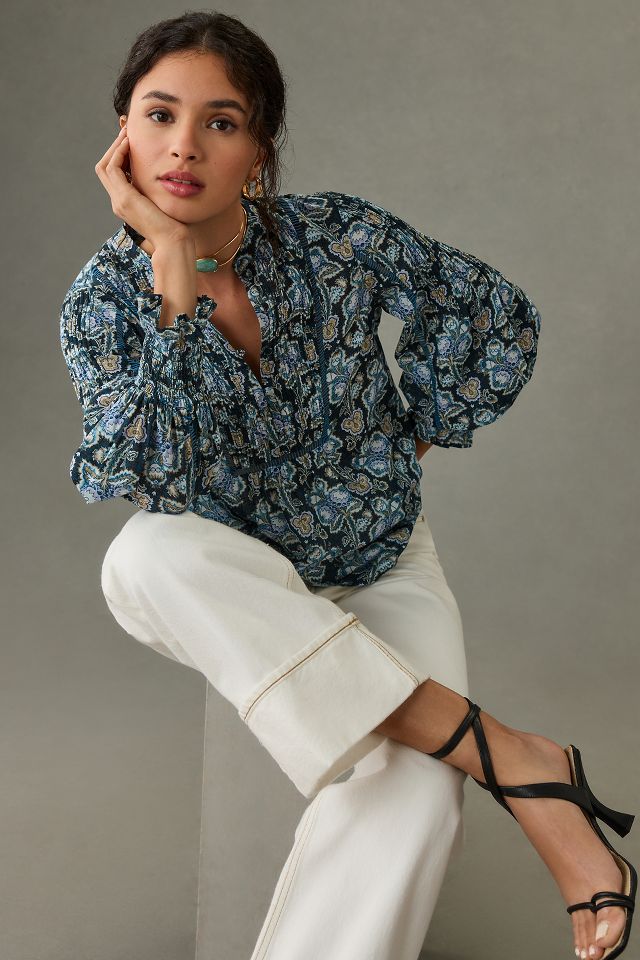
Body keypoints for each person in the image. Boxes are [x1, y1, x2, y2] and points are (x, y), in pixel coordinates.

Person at [58, 11, 635, 960]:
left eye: (220, 122)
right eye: (159, 115)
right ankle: (518, 759)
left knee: (415, 801)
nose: (184, 146)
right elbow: (149, 471)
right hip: (231, 582)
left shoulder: (336, 236)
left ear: (259, 151)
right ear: (123, 133)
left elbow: (492, 315)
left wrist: (406, 443)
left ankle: (500, 776)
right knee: (142, 554)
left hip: (378, 567)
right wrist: (169, 264)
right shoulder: (103, 301)